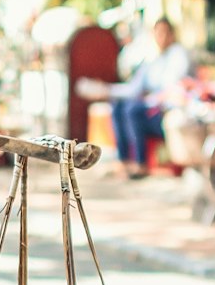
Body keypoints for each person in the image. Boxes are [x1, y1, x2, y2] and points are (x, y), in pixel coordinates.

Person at [79, 17, 192, 178]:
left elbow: (170, 88)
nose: (161, 37)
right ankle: (124, 161)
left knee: (133, 110)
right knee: (119, 106)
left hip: (166, 110)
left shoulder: (178, 55)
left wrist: (149, 98)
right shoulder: (153, 60)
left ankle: (141, 163)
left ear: (172, 34)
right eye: (158, 33)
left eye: (165, 33)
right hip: (151, 108)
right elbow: (133, 89)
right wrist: (107, 90)